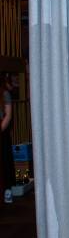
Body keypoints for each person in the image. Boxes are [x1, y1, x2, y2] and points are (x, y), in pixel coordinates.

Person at [0, 73, 15, 204]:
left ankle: (7, 191)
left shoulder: (5, 94)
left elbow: (8, 115)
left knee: (4, 162)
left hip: (2, 133)